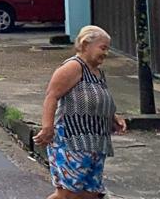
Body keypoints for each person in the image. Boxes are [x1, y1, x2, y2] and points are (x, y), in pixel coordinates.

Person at [34, 25, 126, 199]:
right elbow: (51, 96)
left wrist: (113, 117)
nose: (106, 53)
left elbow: (96, 100)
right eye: (103, 48)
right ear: (85, 45)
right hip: (72, 141)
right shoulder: (74, 67)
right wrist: (47, 128)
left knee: (90, 194)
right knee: (68, 194)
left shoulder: (98, 72)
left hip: (95, 142)